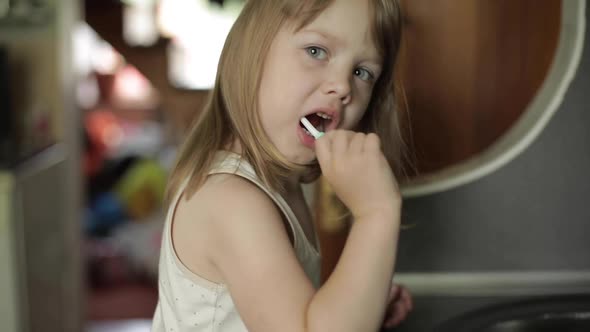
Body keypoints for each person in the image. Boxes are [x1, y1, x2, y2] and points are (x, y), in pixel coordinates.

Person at [152, 0, 413, 331]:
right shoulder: (231, 201)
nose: (344, 86)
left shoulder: (282, 190)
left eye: (362, 72)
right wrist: (377, 213)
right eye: (316, 51)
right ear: (250, 55)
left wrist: (361, 307)